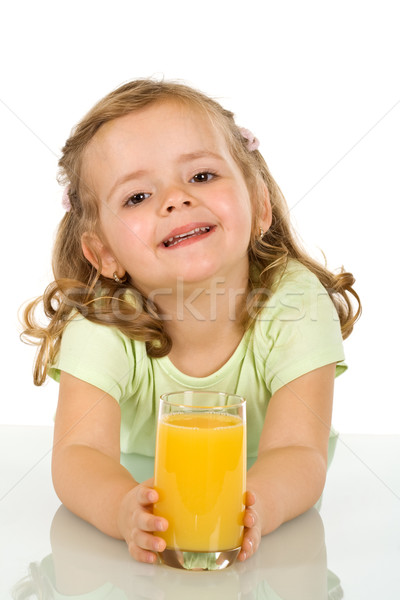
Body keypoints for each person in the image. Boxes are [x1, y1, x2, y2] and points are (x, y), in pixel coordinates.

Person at [21, 78, 361, 565]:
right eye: (137, 197)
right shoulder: (104, 322)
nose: (175, 199)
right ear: (103, 252)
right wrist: (121, 507)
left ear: (259, 204)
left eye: (201, 176)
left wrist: (253, 507)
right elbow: (78, 455)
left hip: (277, 523)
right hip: (147, 509)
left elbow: (299, 451)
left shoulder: (294, 302)